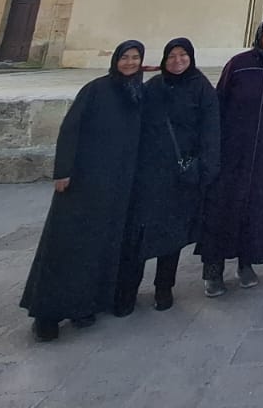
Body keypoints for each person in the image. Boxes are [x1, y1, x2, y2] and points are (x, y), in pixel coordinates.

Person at [21, 40, 146, 341]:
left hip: (117, 183)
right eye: (125, 58)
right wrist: (63, 170)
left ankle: (85, 305)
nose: (130, 63)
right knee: (66, 245)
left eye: (136, 58)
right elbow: (70, 129)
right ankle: (46, 312)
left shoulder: (139, 93)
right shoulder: (95, 89)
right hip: (84, 181)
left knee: (101, 247)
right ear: (115, 59)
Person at [118, 37, 218, 315]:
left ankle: (164, 287)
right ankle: (127, 290)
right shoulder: (153, 87)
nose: (177, 61)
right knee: (139, 231)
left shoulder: (201, 88)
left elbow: (210, 131)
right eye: (172, 56)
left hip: (181, 174)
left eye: (183, 55)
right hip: (149, 172)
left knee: (171, 234)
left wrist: (207, 168)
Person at [199, 17, 263, 296]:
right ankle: (213, 269)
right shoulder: (240, 64)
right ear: (260, 34)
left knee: (256, 208)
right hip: (234, 150)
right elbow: (220, 103)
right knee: (223, 207)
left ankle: (246, 263)